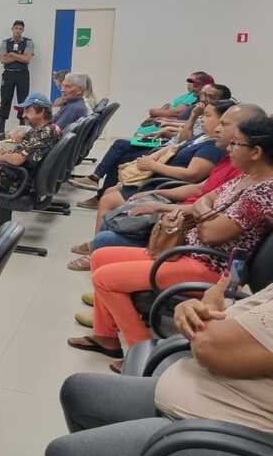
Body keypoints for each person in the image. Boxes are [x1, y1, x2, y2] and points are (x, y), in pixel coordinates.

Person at [46, 277, 273, 456]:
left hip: (241, 440)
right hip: (219, 399)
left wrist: (205, 308)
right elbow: (229, 323)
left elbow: (211, 345)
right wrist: (196, 310)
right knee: (78, 392)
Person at [67, 115, 273, 372]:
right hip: (186, 253)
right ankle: (105, 336)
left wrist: (201, 210)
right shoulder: (244, 178)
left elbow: (211, 233)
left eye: (236, 144)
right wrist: (204, 210)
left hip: (209, 265)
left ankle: (140, 350)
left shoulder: (263, 192)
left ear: (256, 151)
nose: (229, 148)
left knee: (104, 278)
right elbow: (204, 199)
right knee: (101, 256)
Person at [71, 103, 264, 259]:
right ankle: (98, 256)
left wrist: (163, 205)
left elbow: (198, 189)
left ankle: (99, 256)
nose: (217, 128)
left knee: (109, 225)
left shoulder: (247, 177)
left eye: (224, 124)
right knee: (114, 212)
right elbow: (201, 190)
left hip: (183, 229)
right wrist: (158, 196)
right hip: (179, 214)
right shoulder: (230, 160)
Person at [69, 78, 225, 209]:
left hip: (163, 147)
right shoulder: (196, 110)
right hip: (165, 146)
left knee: (122, 149)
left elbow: (180, 132)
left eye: (210, 96)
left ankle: (97, 184)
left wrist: (165, 122)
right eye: (203, 94)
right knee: (122, 145)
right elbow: (183, 133)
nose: (204, 98)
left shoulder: (210, 137)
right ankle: (97, 182)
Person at [0, 93, 61, 194]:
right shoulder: (50, 128)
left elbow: (16, 160)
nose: (23, 115)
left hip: (16, 182)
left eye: (27, 111)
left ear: (41, 112)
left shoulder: (44, 133)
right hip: (19, 175)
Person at [0, 20, 34, 141]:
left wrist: (12, 55)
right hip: (8, 75)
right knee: (5, 99)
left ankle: (22, 128)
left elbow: (27, 59)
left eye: (20, 29)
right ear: (12, 29)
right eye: (16, 28)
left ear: (23, 30)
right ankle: (1, 129)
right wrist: (19, 56)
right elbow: (3, 60)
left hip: (23, 75)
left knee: (23, 101)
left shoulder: (28, 42)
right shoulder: (5, 43)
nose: (18, 30)